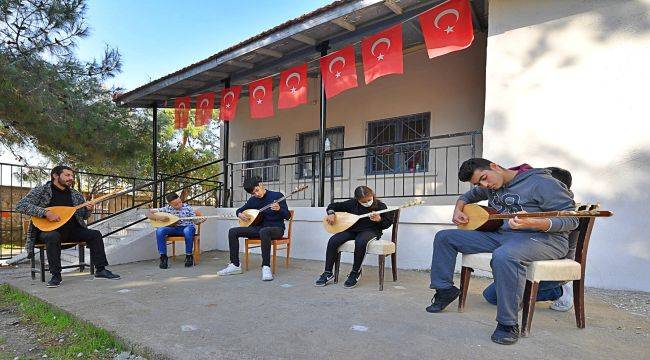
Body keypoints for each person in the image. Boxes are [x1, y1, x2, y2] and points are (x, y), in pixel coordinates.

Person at [426, 158, 578, 345]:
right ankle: (444, 290)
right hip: (502, 235)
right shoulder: (490, 185)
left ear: (495, 167)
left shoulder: (543, 182)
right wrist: (458, 209)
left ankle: (507, 323)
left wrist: (534, 222)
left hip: (545, 239)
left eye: (484, 178)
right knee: (445, 237)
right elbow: (467, 197)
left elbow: (573, 220)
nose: (485, 185)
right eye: (479, 183)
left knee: (504, 255)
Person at [481, 166, 575, 312]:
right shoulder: (533, 206)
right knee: (491, 296)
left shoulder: (566, 213)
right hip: (525, 257)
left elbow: (567, 252)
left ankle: (560, 290)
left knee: (503, 294)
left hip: (550, 266)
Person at [15, 165, 120, 288]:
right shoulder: (42, 190)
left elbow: (83, 216)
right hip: (47, 231)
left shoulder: (75, 194)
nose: (71, 178)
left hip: (72, 231)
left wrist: (88, 209)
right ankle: (56, 275)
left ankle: (101, 270)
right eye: (67, 175)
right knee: (53, 236)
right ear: (55, 175)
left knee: (95, 234)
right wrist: (45, 212)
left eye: (72, 176)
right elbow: (21, 205)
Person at [315, 186, 393, 289]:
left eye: (369, 200)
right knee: (333, 240)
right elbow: (332, 206)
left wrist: (379, 220)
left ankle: (355, 272)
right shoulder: (352, 204)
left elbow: (387, 224)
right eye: (363, 202)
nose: (367, 203)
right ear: (357, 200)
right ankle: (328, 272)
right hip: (352, 230)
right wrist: (331, 214)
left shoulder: (380, 206)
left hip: (371, 231)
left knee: (360, 241)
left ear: (372, 195)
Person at [217, 177, 291, 281]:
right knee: (233, 231)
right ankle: (235, 265)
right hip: (259, 228)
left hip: (276, 229)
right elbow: (240, 210)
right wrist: (239, 214)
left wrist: (279, 209)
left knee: (264, 231)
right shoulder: (253, 200)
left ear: (260, 185)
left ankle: (266, 267)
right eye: (253, 193)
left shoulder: (277, 196)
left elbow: (288, 216)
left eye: (257, 190)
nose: (256, 194)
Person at [146, 193, 203, 269]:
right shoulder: (167, 209)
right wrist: (159, 218)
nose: (179, 205)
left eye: (180, 202)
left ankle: (189, 256)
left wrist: (200, 220)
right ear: (170, 204)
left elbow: (195, 221)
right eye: (176, 204)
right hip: (173, 229)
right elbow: (147, 213)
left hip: (187, 228)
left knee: (187, 230)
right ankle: (163, 257)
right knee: (160, 231)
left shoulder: (187, 208)